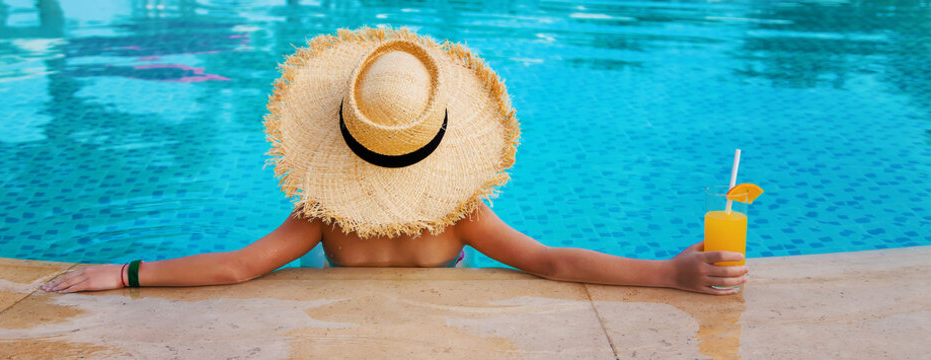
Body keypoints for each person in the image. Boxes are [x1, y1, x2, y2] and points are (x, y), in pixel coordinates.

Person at [42, 27, 747, 295]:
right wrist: (667, 274)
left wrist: (125, 274)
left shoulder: (324, 218)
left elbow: (237, 266)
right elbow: (550, 262)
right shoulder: (460, 216)